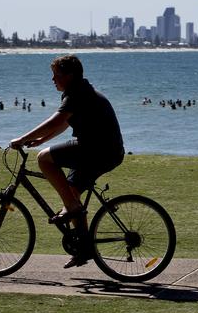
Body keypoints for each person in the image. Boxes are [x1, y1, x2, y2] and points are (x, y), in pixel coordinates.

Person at [10, 55, 125, 268]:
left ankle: (71, 207)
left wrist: (23, 139)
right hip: (105, 151)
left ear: (69, 75)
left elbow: (56, 120)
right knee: (71, 189)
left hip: (96, 150)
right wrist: (41, 139)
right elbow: (64, 124)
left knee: (44, 159)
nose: (53, 79)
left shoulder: (77, 93)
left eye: (56, 75)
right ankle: (84, 248)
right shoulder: (80, 91)